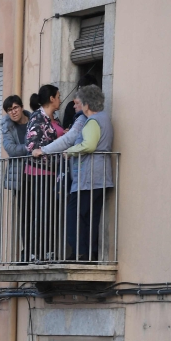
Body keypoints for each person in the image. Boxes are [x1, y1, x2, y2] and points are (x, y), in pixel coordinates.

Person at [62, 84, 114, 261]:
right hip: (99, 177)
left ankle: (80, 253)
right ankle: (89, 253)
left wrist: (69, 151)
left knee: (75, 215)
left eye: (81, 103)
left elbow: (90, 145)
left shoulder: (93, 121)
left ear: (86, 104)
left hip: (88, 178)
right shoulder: (105, 118)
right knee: (90, 217)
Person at [20, 84, 64, 261]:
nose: (60, 99)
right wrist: (47, 151)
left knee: (50, 213)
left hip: (53, 174)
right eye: (58, 96)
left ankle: (48, 251)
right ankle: (35, 253)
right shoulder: (38, 117)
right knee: (40, 213)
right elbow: (31, 145)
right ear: (52, 99)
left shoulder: (55, 119)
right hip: (38, 173)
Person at [1, 95, 30, 190]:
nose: (13, 112)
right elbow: (11, 149)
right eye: (9, 110)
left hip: (38, 170)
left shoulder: (34, 121)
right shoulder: (8, 127)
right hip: (19, 175)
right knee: (23, 204)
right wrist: (30, 148)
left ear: (22, 107)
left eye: (15, 107)